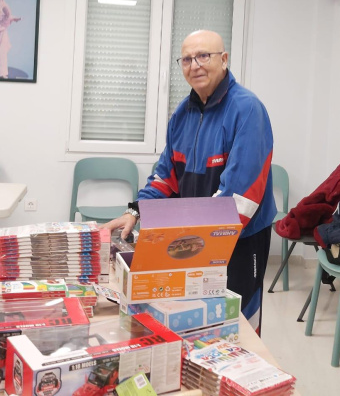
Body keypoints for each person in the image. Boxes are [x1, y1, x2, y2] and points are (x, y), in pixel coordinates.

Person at [101, 30, 276, 334]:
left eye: (203, 56)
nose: (194, 65)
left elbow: (241, 197)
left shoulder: (247, 110)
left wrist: (189, 241)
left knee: (238, 324)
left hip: (241, 240)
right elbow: (165, 177)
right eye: (186, 59)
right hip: (196, 239)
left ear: (224, 60)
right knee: (196, 320)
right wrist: (134, 211)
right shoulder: (182, 114)